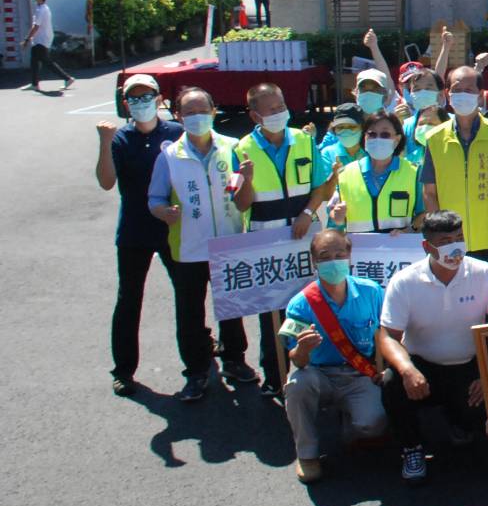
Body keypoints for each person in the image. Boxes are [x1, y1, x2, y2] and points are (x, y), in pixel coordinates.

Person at [377, 210, 488, 483]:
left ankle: (464, 426)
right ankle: (411, 449)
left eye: (459, 238)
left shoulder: (483, 272)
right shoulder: (405, 281)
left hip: (471, 367)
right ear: (427, 246)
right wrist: (407, 370)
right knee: (392, 383)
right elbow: (387, 336)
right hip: (424, 368)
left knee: (485, 401)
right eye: (446, 240)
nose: (455, 247)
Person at [146, 86, 256, 400]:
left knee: (232, 307)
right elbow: (154, 198)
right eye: (189, 112)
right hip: (188, 247)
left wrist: (246, 181)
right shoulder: (169, 156)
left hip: (228, 243)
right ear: (177, 115)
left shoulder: (232, 147)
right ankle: (196, 371)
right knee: (190, 312)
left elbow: (244, 200)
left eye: (202, 111)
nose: (197, 118)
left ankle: (235, 359)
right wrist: (163, 211)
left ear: (214, 111)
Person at [234, 82, 335, 394]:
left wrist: (307, 214)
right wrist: (247, 181)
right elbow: (241, 203)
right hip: (266, 241)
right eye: (271, 110)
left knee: (311, 304)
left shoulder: (304, 141)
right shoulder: (242, 149)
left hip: (305, 238)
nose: (279, 113)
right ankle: (274, 375)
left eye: (281, 107)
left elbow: (320, 185)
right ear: (255, 115)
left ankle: (316, 370)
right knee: (272, 311)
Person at [97, 75, 188, 396]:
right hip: (134, 230)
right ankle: (123, 369)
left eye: (146, 96)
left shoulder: (176, 133)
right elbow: (106, 182)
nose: (140, 103)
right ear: (125, 104)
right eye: (133, 98)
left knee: (187, 294)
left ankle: (199, 355)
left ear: (158, 98)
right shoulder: (121, 138)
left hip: (172, 228)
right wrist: (104, 143)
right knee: (129, 298)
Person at [280, 230, 388, 484]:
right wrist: (303, 350)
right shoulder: (300, 304)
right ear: (314, 262)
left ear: (350, 256)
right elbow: (295, 359)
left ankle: (350, 424)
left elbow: (385, 334)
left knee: (375, 424)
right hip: (318, 374)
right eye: (325, 256)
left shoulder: (371, 292)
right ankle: (307, 455)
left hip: (358, 374)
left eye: (340, 254)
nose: (334, 261)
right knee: (296, 385)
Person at [420, 65, 488, 288]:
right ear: (446, 93)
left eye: (469, 89)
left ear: (479, 94)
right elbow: (429, 193)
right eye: (457, 89)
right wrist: (439, 238)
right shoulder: (435, 138)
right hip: (452, 241)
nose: (462, 95)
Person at [329, 111, 425, 233]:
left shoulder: (414, 172)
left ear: (397, 139)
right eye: (372, 134)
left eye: (385, 134)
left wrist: (409, 230)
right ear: (364, 138)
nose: (378, 139)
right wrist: (337, 217)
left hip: (400, 247)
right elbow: (334, 214)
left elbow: (424, 213)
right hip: (359, 248)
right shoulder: (345, 173)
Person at [24, 0, 73, 91]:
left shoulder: (42, 10)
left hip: (41, 40)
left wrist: (27, 39)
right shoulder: (42, 8)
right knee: (35, 61)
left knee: (45, 62)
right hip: (40, 40)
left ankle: (67, 78)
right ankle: (35, 84)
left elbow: (36, 26)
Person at [319, 103, 365, 172]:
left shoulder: (369, 154)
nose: (346, 131)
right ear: (334, 130)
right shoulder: (327, 153)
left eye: (351, 127)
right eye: (340, 127)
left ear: (362, 128)